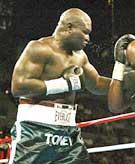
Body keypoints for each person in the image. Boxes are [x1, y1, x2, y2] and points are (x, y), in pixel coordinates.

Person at [10, 8, 111, 164]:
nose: (88, 38)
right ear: (69, 27)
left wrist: (125, 82)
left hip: (68, 132)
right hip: (35, 130)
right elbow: (18, 86)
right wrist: (65, 84)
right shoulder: (39, 48)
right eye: (84, 32)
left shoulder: (80, 56)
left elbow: (96, 84)